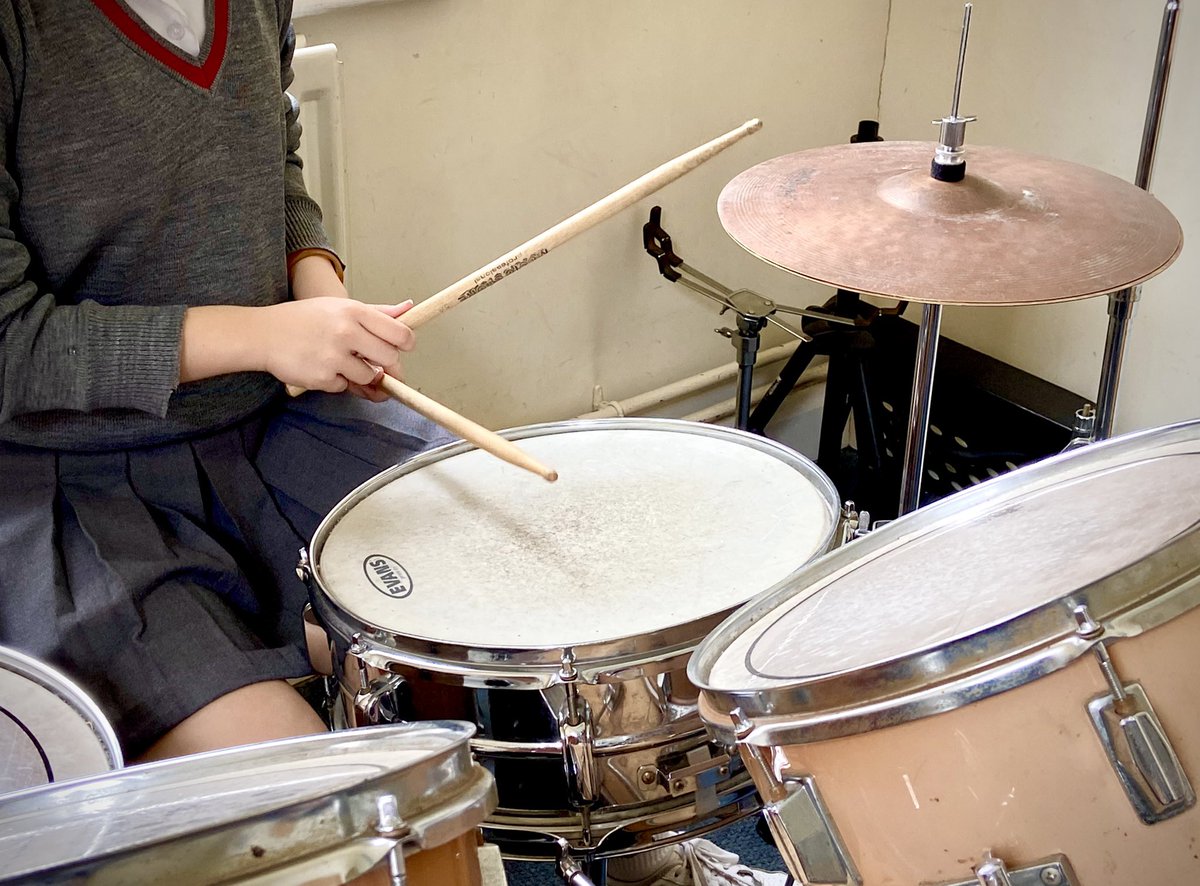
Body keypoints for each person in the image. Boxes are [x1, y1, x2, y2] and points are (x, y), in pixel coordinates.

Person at [0, 0, 451, 764]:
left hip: (274, 421)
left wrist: (318, 288)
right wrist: (263, 337)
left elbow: (273, 163)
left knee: (526, 594)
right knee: (313, 809)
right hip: (68, 483)